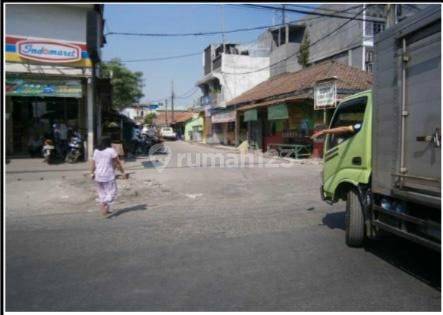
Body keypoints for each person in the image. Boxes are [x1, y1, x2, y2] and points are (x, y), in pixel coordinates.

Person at [90, 136, 128, 216]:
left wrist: (91, 173)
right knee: (112, 193)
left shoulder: (96, 151)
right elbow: (117, 163)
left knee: (102, 193)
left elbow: (93, 163)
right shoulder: (111, 151)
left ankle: (105, 210)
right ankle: (104, 203)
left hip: (98, 175)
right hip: (108, 176)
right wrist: (123, 172)